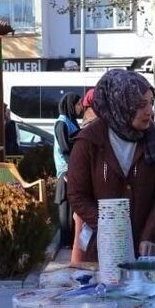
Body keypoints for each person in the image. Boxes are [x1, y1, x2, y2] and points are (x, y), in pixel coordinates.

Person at [66, 69, 155, 261]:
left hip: (144, 253)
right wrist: (109, 228)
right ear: (121, 104)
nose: (149, 111)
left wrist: (149, 236)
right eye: (140, 105)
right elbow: (77, 195)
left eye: (151, 102)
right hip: (101, 251)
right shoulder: (89, 141)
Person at [53, 92, 85, 246]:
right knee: (66, 209)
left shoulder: (71, 122)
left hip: (72, 170)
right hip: (66, 172)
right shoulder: (62, 124)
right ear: (71, 106)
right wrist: (70, 171)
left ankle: (72, 240)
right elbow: (66, 149)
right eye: (78, 104)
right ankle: (65, 242)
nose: (81, 107)